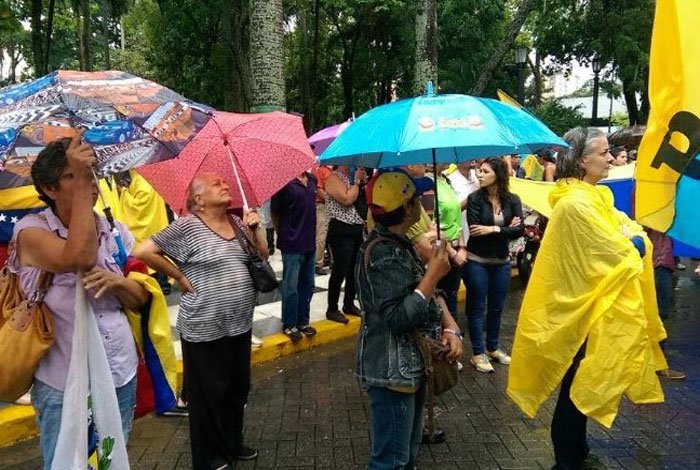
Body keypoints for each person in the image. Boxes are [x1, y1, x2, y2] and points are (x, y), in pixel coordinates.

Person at [508, 127, 667, 470]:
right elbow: (622, 248)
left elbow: (632, 233)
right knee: (574, 388)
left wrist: (633, 240)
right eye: (603, 152)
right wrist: (633, 242)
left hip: (591, 308)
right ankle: (568, 461)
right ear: (581, 162)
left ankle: (576, 452)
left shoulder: (594, 198)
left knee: (578, 382)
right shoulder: (577, 205)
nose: (611, 158)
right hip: (577, 311)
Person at [8, 134, 149, 469]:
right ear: (50, 188)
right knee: (65, 463)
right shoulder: (30, 232)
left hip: (118, 372)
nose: (91, 180)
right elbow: (80, 255)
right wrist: (85, 181)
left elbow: (140, 299)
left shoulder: (111, 228)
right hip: (63, 382)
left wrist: (118, 283)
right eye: (73, 174)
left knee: (111, 459)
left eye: (92, 172)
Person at [133, 172, 266, 469]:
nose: (225, 183)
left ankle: (233, 443)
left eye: (224, 182)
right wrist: (178, 275)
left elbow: (263, 256)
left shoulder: (238, 223)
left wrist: (256, 230)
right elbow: (143, 251)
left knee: (236, 389)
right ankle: (208, 457)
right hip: (205, 326)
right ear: (198, 199)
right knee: (208, 396)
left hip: (239, 322)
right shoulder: (188, 226)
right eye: (216, 183)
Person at [356, 170, 463, 469]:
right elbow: (398, 318)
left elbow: (428, 295)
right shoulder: (382, 253)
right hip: (392, 373)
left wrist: (451, 327)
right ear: (406, 208)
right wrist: (432, 273)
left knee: (407, 454)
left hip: (409, 368)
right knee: (391, 461)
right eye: (415, 198)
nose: (421, 204)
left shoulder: (401, 244)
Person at [465, 158, 524, 373]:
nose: (479, 175)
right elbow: (474, 231)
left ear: (497, 175)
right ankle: (478, 353)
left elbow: (520, 230)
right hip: (477, 260)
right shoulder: (475, 199)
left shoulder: (513, 200)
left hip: (502, 261)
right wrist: (505, 227)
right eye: (479, 170)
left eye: (484, 171)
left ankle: (492, 347)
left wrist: (493, 230)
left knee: (497, 307)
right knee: (477, 307)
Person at [271, 171, 318, 342]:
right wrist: (282, 234)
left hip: (309, 241)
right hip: (291, 242)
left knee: (308, 284)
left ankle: (303, 321)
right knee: (291, 286)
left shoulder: (312, 180)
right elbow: (275, 212)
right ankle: (289, 324)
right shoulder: (284, 182)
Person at [324, 165, 366, 323]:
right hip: (340, 229)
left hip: (356, 228)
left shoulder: (353, 178)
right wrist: (356, 182)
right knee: (340, 269)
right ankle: (332, 308)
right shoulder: (333, 178)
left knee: (354, 269)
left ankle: (348, 303)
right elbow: (347, 199)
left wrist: (360, 182)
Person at [644, 228, 686, 379]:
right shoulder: (649, 215)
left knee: (659, 315)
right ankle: (657, 364)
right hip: (656, 267)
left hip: (664, 267)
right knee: (657, 316)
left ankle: (655, 362)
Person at [433, 164, 468, 317]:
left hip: (455, 247)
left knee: (451, 296)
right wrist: (452, 252)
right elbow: (431, 227)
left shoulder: (445, 180)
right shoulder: (428, 184)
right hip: (439, 250)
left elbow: (456, 217)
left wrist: (461, 246)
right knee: (440, 298)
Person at [312, 165, 333, 275]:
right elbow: (318, 189)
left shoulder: (332, 169)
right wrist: (332, 201)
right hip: (321, 206)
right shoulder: (319, 169)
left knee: (327, 235)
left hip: (330, 207)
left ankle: (326, 259)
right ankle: (317, 263)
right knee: (321, 235)